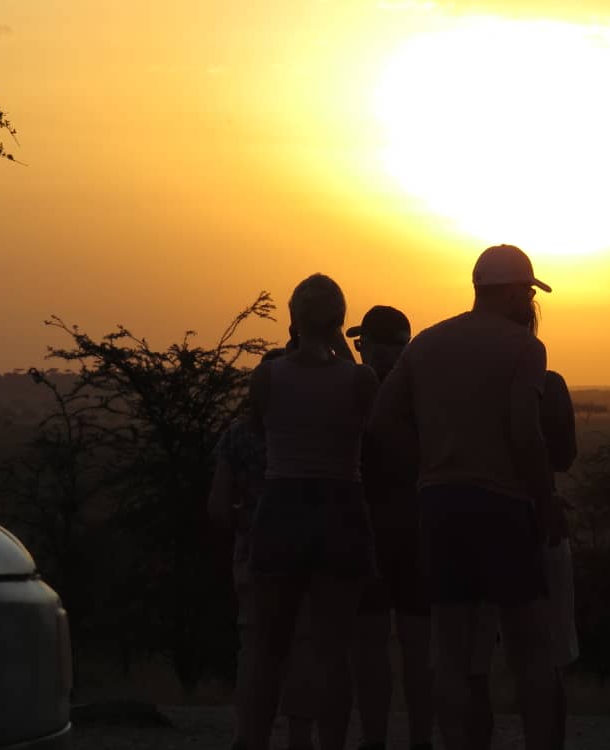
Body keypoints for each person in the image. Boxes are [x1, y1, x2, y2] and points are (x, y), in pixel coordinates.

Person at [369, 244, 560, 750]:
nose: (530, 301)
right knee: (530, 648)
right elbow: (525, 432)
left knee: (450, 648)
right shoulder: (525, 348)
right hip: (503, 507)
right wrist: (547, 504)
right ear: (517, 290)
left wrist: (426, 465)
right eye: (528, 291)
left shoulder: (427, 343)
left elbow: (383, 418)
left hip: (438, 507)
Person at [235, 273, 379, 750]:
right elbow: (368, 430)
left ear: (293, 318)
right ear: (340, 320)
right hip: (341, 507)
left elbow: (258, 428)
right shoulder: (359, 378)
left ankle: (252, 742)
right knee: (334, 650)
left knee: (268, 649)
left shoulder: (269, 375)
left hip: (282, 506)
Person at [468, 312, 579, 750]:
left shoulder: (457, 388)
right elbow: (564, 456)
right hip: (536, 518)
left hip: (470, 522)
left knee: (471, 662)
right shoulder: (548, 384)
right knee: (545, 658)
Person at [208, 346, 318, 750]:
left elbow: (218, 507)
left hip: (252, 555)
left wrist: (248, 522)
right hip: (305, 552)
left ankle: (248, 736)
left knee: (255, 648)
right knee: (302, 649)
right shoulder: (308, 438)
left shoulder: (237, 437)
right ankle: (301, 739)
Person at [348, 306, 434, 750]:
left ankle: (374, 740)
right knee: (419, 647)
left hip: (368, 531)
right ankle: (420, 740)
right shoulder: (425, 394)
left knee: (371, 646)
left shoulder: (353, 393)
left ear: (366, 345)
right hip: (418, 528)